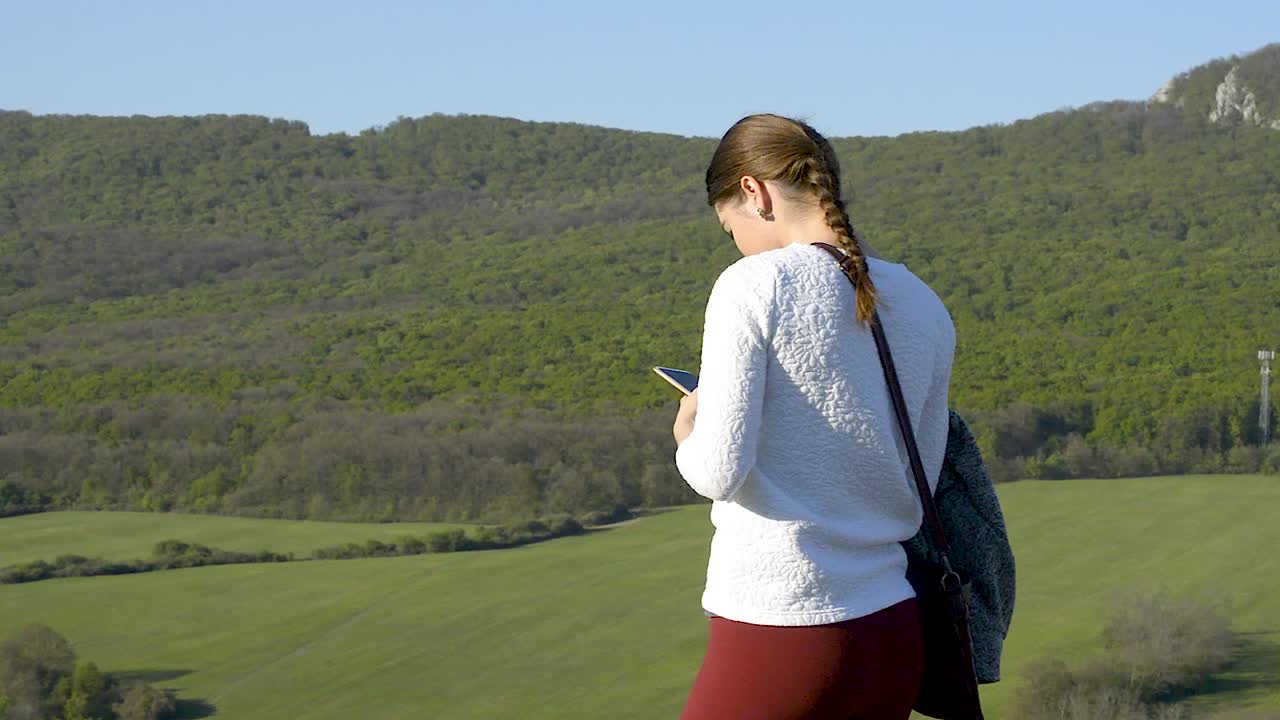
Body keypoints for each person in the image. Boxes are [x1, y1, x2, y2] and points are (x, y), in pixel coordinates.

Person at [672, 113, 956, 720]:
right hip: (894, 630)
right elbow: (922, 479)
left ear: (754, 192)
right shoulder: (921, 299)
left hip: (784, 627)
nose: (737, 245)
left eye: (730, 230)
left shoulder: (754, 285)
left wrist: (687, 431)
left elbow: (718, 471)